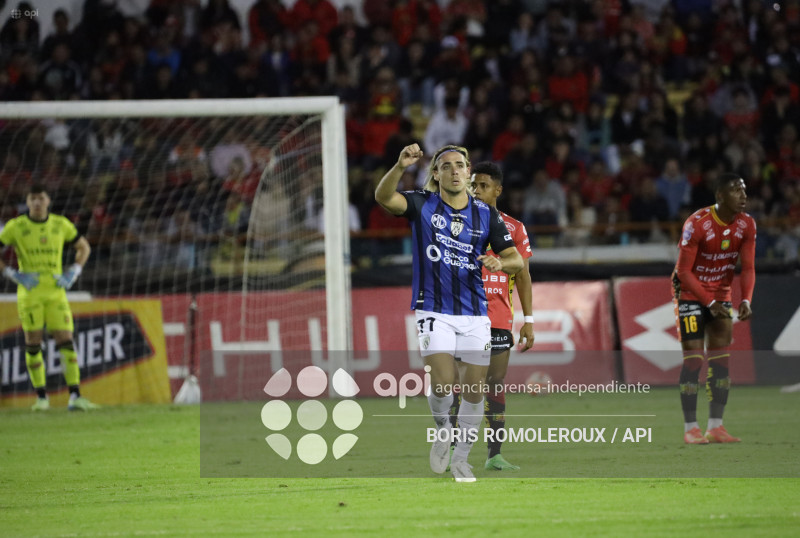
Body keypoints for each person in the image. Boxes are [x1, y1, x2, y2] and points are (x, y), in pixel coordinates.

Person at [375, 144, 523, 482]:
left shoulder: (487, 215)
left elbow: (516, 259)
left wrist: (500, 261)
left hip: (474, 314)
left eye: (460, 165)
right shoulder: (421, 204)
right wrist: (399, 166)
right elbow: (384, 197)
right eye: (447, 166)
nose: (455, 171)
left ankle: (461, 459)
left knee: (474, 391)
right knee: (443, 384)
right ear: (437, 174)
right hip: (433, 309)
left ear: (469, 172)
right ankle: (443, 428)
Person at [672, 173, 755, 444]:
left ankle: (716, 427)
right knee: (694, 359)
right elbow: (683, 272)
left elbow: (749, 268)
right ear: (720, 196)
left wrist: (745, 300)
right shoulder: (696, 224)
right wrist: (709, 302)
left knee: (721, 361)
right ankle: (690, 428)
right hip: (690, 295)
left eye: (744, 190)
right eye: (735, 190)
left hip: (721, 293)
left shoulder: (747, 225)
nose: (742, 195)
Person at [0, 184, 97, 411]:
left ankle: (75, 396)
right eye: (32, 198)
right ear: (27, 201)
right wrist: (11, 273)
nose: (36, 202)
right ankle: (42, 398)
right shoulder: (16, 227)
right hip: (30, 293)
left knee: (66, 340)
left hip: (56, 292)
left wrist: (74, 271)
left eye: (40, 198)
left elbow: (84, 247)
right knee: (33, 342)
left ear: (48, 201)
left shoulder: (60, 224)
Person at [467, 162, 535, 470]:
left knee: (495, 381)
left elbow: (522, 275)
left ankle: (494, 454)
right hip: (464, 312)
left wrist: (529, 321)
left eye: (483, 185)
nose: (477, 190)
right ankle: (455, 448)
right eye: (474, 185)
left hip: (498, 316)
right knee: (464, 384)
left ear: (498, 190)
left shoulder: (514, 228)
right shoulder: (456, 221)